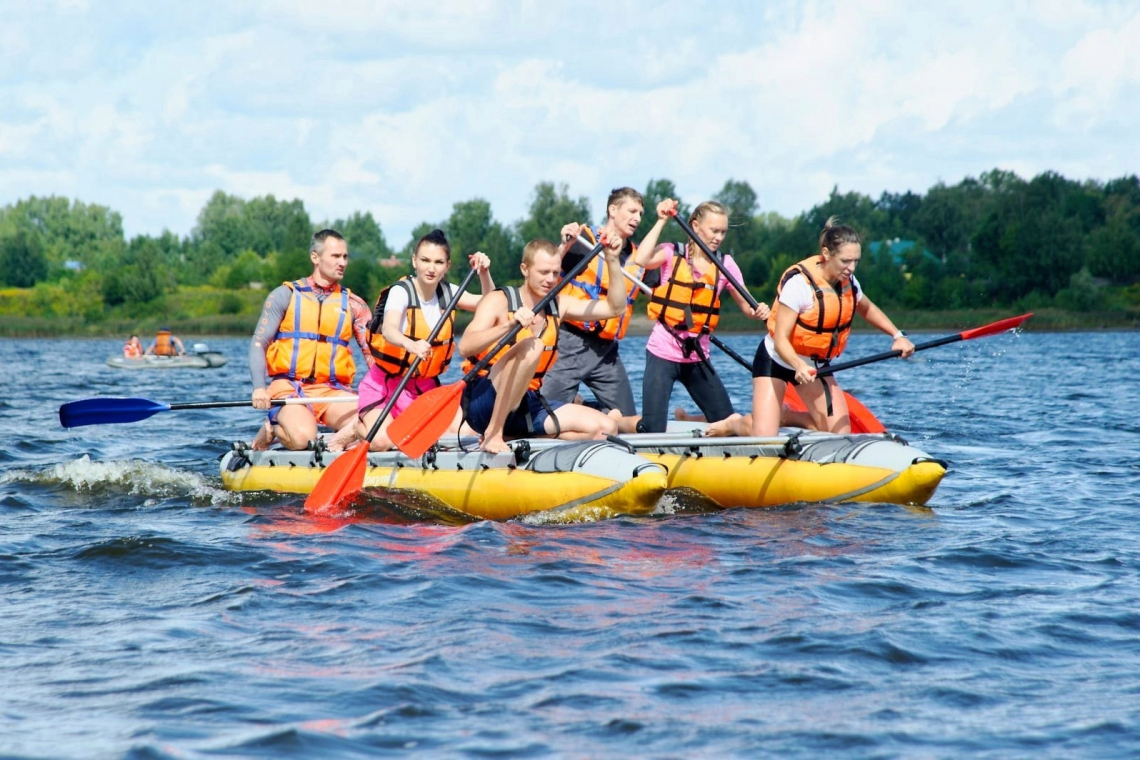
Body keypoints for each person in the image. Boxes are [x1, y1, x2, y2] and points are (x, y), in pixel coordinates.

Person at [741, 215, 915, 437]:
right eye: (845, 261)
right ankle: (735, 424)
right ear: (826, 254)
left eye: (856, 261)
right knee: (764, 438)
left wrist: (897, 335)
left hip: (815, 365)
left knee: (840, 435)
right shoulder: (799, 285)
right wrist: (798, 366)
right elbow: (780, 339)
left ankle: (787, 416)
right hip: (776, 360)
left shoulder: (849, 283)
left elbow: (867, 309)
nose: (851, 268)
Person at [456, 237, 630, 454]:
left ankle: (515, 435)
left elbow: (616, 308)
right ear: (525, 269)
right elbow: (465, 347)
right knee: (533, 346)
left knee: (606, 428)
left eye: (556, 273)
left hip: (524, 403)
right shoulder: (498, 300)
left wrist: (612, 259)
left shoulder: (560, 305)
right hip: (483, 403)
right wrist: (509, 325)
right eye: (543, 272)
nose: (550, 279)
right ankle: (493, 433)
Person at [633, 200, 769, 433]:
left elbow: (748, 308)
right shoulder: (670, 252)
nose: (719, 237)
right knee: (654, 427)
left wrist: (760, 310)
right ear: (695, 226)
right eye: (713, 230)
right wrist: (661, 220)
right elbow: (641, 259)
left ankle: (692, 424)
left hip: (697, 357)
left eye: (723, 232)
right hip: (662, 353)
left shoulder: (726, 264)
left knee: (728, 423)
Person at [540, 188, 672, 423]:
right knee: (545, 414)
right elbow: (547, 276)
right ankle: (574, 407)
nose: (637, 218)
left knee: (627, 420)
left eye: (641, 213)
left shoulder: (639, 257)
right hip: (570, 342)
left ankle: (584, 408)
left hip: (607, 352)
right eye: (632, 211)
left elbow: (663, 296)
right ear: (612, 210)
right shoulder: (584, 240)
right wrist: (565, 245)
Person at [355, 229, 494, 451]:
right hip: (385, 386)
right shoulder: (401, 292)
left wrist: (484, 273)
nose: (431, 268)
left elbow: (491, 303)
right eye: (425, 260)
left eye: (438, 262)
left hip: (422, 389)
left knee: (466, 431)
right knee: (383, 441)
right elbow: (390, 330)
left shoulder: (449, 293)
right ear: (414, 261)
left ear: (447, 266)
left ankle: (403, 427)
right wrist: (411, 344)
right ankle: (357, 427)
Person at [249, 228, 373, 451]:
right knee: (302, 439)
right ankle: (274, 426)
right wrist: (259, 388)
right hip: (289, 387)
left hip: (332, 391)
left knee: (377, 421)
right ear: (315, 258)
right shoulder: (284, 295)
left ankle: (343, 441)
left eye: (345, 256)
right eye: (335, 256)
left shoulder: (355, 305)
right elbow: (259, 343)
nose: (342, 262)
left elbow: (372, 357)